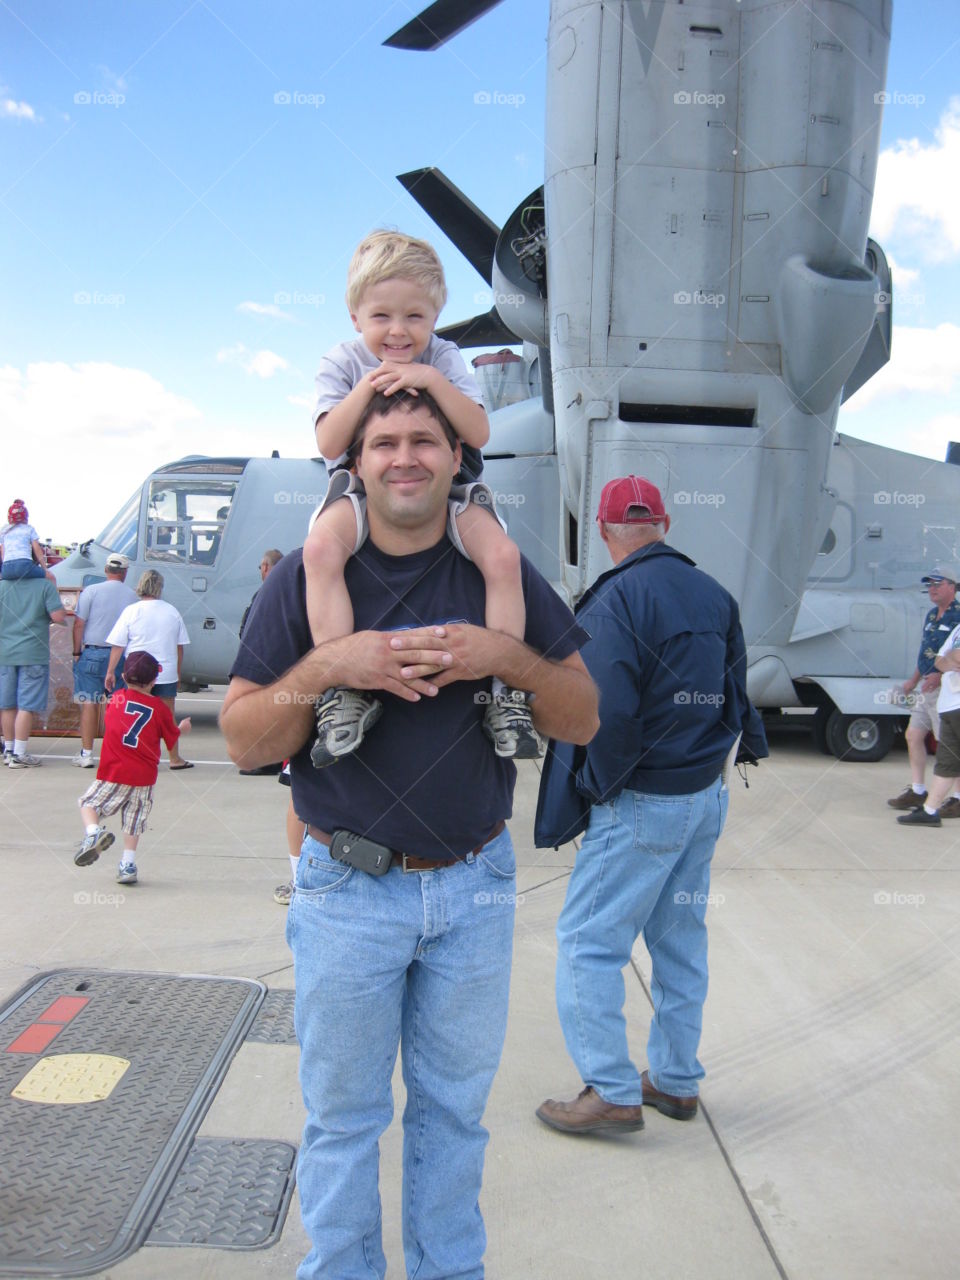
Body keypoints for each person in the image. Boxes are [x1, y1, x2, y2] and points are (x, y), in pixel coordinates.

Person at [221, 388, 597, 1280]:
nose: (404, 457)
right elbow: (242, 737)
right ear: (353, 465)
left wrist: (503, 657)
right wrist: (328, 668)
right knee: (344, 1117)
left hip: (474, 887)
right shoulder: (306, 579)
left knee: (453, 1114)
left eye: (424, 439)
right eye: (383, 441)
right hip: (346, 889)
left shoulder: (499, 571)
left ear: (455, 459)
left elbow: (582, 718)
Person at [534, 475, 767, 1135]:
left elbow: (605, 714)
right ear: (663, 522)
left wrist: (605, 792)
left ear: (605, 533)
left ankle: (610, 1090)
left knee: (587, 943)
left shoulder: (615, 599)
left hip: (644, 801)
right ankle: (674, 1080)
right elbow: (735, 696)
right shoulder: (714, 593)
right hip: (704, 799)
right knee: (681, 945)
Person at [304, 229, 541, 767]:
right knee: (320, 552)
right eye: (381, 316)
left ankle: (505, 693)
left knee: (503, 557)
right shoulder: (341, 364)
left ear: (434, 317)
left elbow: (477, 432)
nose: (398, 331)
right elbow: (328, 442)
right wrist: (370, 386)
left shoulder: (444, 358)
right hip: (359, 489)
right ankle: (342, 689)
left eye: (415, 316)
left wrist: (430, 379)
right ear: (354, 315)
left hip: (449, 491)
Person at [74, 649, 191, 884]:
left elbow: (113, 724)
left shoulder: (115, 699)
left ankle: (93, 833)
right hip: (144, 777)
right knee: (134, 821)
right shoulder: (159, 709)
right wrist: (182, 729)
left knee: (88, 803)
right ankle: (127, 864)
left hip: (114, 771)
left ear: (125, 678)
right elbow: (170, 737)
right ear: (154, 681)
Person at [887, 565, 960, 815]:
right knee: (913, 735)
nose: (932, 589)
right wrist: (912, 680)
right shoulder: (931, 615)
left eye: (937, 584)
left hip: (946, 689)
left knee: (949, 744)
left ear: (952, 586)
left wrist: (939, 675)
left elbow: (954, 655)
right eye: (929, 585)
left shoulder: (958, 616)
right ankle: (918, 791)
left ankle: (957, 798)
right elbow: (926, 652)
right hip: (925, 687)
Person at [105, 570, 193, 769]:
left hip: (137, 671)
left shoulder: (131, 611)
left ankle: (133, 754)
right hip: (165, 670)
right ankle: (174, 758)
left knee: (133, 712)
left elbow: (118, 644)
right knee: (168, 715)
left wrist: (110, 671)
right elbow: (180, 647)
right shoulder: (172, 611)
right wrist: (177, 672)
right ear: (160, 588)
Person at [71, 552, 139, 767]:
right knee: (116, 705)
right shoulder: (132, 596)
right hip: (118, 654)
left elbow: (79, 624)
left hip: (92, 652)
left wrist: (76, 652)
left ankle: (86, 754)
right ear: (124, 572)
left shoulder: (91, 591)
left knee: (89, 704)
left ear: (106, 570)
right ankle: (115, 753)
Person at [0, 568, 67, 766]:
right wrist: (52, 582)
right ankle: (19, 754)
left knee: (7, 704)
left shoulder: (2, 586)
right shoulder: (44, 586)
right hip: (33, 653)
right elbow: (58, 617)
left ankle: (9, 750)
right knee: (26, 706)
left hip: (5, 653)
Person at [0, 499, 52, 580]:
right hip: (24, 565)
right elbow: (37, 550)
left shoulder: (4, 530)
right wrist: (45, 568)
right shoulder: (29, 529)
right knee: (51, 577)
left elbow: (3, 553)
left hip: (6, 569)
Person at [239, 548, 283, 638]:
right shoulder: (290, 592)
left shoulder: (263, 594)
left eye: (260, 567)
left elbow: (248, 629)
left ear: (265, 567)